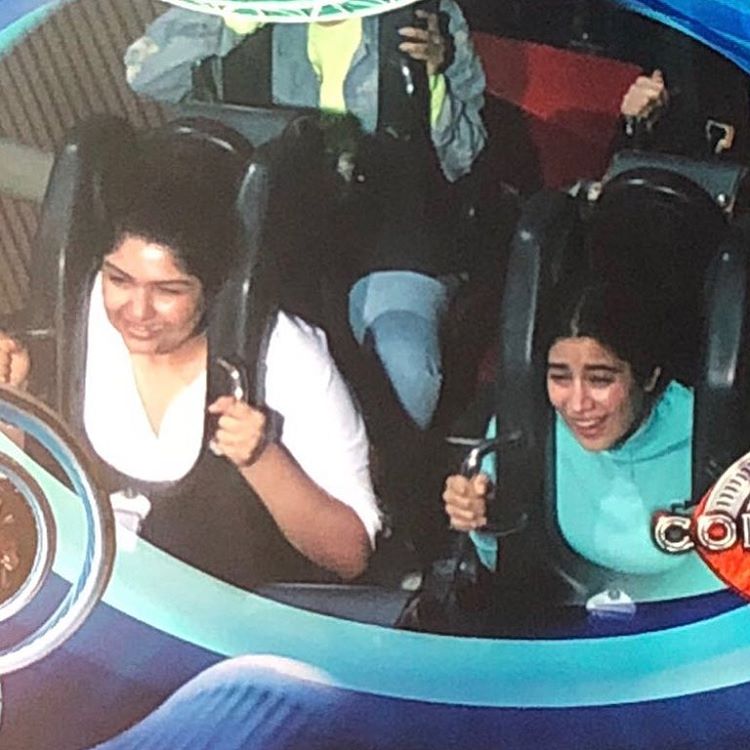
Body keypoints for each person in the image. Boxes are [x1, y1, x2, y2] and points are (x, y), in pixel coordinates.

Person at [0, 132, 381, 590]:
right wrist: (15, 410)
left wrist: (261, 458)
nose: (137, 311)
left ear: (215, 286)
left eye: (168, 291)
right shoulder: (63, 327)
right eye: (119, 280)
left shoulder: (284, 356)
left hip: (228, 611)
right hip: (88, 604)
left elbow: (349, 555)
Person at [123, 1, 487, 431]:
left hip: (387, 228)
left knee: (403, 359)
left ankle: (384, 470)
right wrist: (239, 16)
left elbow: (463, 154)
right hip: (270, 230)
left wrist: (432, 82)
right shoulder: (241, 6)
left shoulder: (424, 12)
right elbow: (147, 74)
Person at [442, 282, 720, 599]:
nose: (577, 404)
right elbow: (507, 568)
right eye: (559, 377)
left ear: (649, 377)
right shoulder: (529, 430)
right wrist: (484, 516)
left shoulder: (712, 437)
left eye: (599, 379)